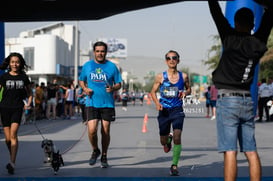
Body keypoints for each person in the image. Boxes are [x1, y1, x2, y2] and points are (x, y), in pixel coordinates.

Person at [208, 0, 273, 180]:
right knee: (251, 151)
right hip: (247, 100)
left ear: (235, 23)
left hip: (227, 100)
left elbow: (217, 14)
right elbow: (268, 20)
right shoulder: (258, 42)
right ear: (253, 24)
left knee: (230, 151)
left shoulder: (229, 38)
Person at [79, 41, 122, 168]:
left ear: (106, 52)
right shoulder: (87, 65)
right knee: (92, 130)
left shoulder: (112, 66)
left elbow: (119, 83)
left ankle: (104, 155)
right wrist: (85, 89)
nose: (100, 53)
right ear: (94, 52)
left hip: (107, 104)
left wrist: (113, 88)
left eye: (102, 51)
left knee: (105, 131)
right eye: (97, 51)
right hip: (91, 102)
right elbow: (81, 80)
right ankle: (95, 150)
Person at [150, 50, 191, 176]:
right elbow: (152, 92)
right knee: (163, 141)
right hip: (164, 111)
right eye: (169, 58)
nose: (171, 60)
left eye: (174, 58)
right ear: (166, 61)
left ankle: (174, 165)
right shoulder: (160, 76)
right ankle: (168, 140)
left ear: (178, 60)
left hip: (177, 109)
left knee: (178, 136)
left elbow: (189, 89)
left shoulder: (183, 76)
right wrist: (157, 103)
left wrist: (185, 93)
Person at [0, 52, 33, 175]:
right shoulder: (3, 77)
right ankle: (12, 155)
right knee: (8, 139)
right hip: (4, 108)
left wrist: (28, 103)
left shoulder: (23, 77)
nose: (15, 64)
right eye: (13, 62)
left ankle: (12, 163)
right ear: (9, 63)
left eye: (17, 62)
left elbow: (30, 93)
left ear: (20, 63)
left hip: (17, 108)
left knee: (13, 135)